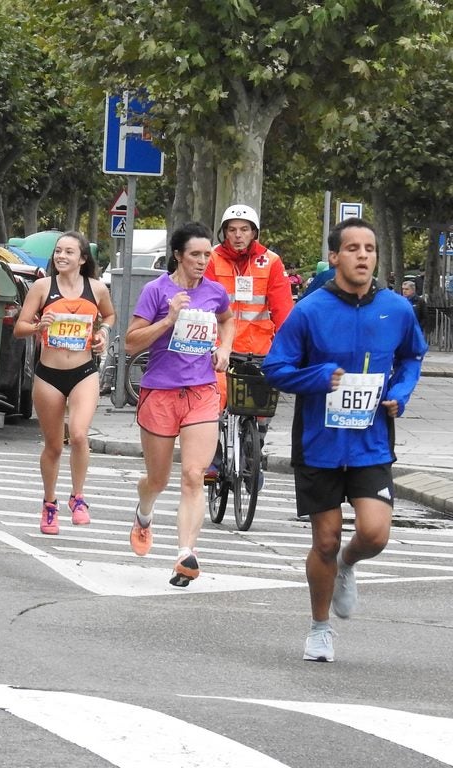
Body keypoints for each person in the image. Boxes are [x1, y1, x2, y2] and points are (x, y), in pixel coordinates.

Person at [263, 218, 426, 663]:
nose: (362, 255)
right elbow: (275, 367)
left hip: (371, 440)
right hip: (320, 443)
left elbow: (413, 356)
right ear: (334, 257)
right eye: (352, 248)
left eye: (369, 248)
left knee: (373, 535)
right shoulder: (311, 310)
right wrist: (318, 376)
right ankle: (319, 629)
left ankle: (348, 566)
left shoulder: (397, 308)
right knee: (326, 541)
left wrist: (399, 394)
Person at [125, 222, 233, 586]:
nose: (202, 261)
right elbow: (130, 343)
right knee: (158, 479)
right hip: (160, 392)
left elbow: (227, 318)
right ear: (178, 255)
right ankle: (144, 512)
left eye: (207, 255)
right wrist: (168, 320)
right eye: (195, 255)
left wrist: (224, 348)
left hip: (201, 392)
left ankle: (186, 553)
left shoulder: (215, 293)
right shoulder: (156, 292)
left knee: (193, 475)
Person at [14, 231, 116, 534]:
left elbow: (109, 316)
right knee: (54, 446)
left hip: (84, 371)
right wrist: (36, 325)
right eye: (58, 251)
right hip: (49, 375)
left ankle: (78, 497)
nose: (61, 256)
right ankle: (49, 504)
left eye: (69, 252)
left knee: (81, 435)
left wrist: (102, 335)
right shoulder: (43, 287)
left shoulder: (96, 289)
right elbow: (20, 327)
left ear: (82, 259)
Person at [203, 204, 293, 481]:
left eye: (244, 230)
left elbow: (283, 309)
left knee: (261, 408)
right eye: (232, 230)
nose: (238, 235)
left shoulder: (271, 262)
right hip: (220, 347)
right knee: (211, 404)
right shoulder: (211, 259)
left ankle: (253, 460)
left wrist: (289, 346)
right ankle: (213, 461)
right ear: (224, 233)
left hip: (259, 348)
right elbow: (203, 301)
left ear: (254, 233)